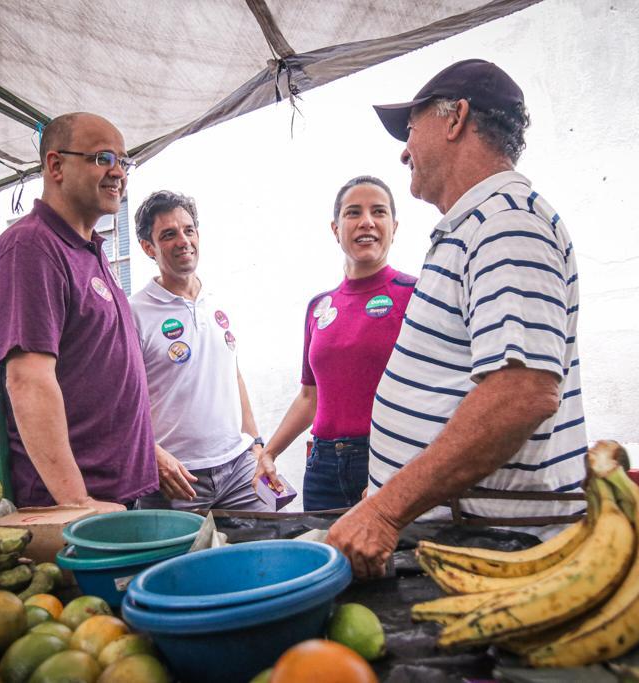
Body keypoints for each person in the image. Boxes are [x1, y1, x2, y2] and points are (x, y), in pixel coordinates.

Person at [326, 60, 587, 578]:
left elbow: (521, 393)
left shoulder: (507, 224)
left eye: (411, 129)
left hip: (493, 544)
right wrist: (385, 483)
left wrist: (385, 507)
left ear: (455, 119)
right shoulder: (479, 225)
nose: (404, 150)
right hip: (460, 532)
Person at [0, 112, 158, 511]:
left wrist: (147, 452)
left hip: (109, 496)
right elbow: (28, 379)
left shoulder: (90, 249)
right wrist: (76, 503)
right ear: (56, 165)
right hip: (61, 504)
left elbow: (95, 371)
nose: (119, 173)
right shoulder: (31, 247)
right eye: (103, 158)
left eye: (124, 162)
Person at [253, 176, 416, 511]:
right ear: (335, 228)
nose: (366, 221)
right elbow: (309, 396)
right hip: (322, 467)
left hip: (388, 460)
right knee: (326, 557)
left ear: (394, 226)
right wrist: (269, 452)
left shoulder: (416, 294)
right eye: (353, 212)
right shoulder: (319, 307)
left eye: (379, 212)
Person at [129, 190, 269, 511]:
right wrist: (151, 454)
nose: (183, 240)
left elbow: (233, 375)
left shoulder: (217, 302)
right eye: (168, 234)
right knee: (183, 561)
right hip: (176, 477)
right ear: (148, 247)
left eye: (188, 230)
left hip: (239, 466)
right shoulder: (132, 312)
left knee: (275, 545)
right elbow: (118, 401)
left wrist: (257, 444)